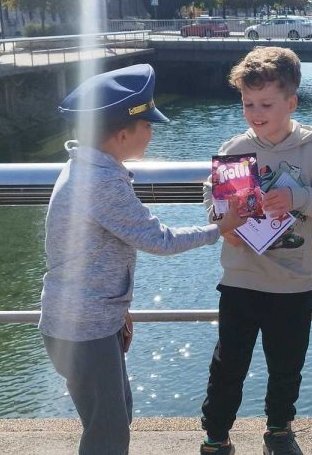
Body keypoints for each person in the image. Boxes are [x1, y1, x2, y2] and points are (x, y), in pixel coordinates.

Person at [40, 63, 246, 455]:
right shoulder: (100, 182)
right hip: (85, 328)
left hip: (87, 319)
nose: (152, 133)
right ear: (122, 135)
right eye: (146, 126)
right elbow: (159, 240)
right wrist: (220, 227)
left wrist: (118, 311)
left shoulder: (88, 168)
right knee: (108, 432)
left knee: (114, 416)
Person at [199, 47, 312, 455]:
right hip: (240, 279)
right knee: (227, 365)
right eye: (248, 103)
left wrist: (298, 197)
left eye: (266, 104)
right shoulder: (234, 148)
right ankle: (216, 435)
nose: (255, 113)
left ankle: (279, 429)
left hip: (293, 283)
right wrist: (223, 223)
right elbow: (211, 195)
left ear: (291, 103)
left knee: (286, 367)